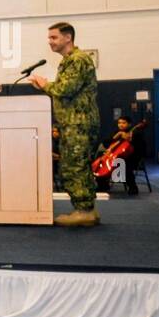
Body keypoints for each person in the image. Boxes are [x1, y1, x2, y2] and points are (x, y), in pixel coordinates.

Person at [30, 22, 100, 226]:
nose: (50, 41)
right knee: (78, 166)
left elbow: (65, 89)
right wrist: (46, 87)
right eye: (49, 38)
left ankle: (84, 211)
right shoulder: (70, 61)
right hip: (73, 123)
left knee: (74, 167)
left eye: (54, 37)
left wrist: (45, 84)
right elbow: (65, 90)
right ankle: (87, 209)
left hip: (79, 124)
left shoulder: (77, 60)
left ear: (68, 37)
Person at [95, 115, 144, 196]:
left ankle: (133, 187)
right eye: (119, 123)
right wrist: (116, 136)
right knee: (101, 165)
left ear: (129, 124)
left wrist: (130, 140)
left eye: (124, 123)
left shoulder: (136, 134)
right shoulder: (117, 132)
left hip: (131, 158)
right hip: (115, 158)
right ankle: (103, 186)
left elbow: (140, 149)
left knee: (125, 164)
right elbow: (106, 143)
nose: (121, 125)